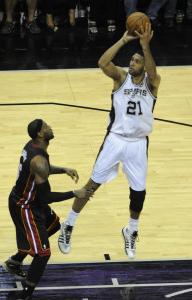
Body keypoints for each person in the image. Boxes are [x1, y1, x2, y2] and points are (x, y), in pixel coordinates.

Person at [58, 23, 161, 260]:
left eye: (137, 61)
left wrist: (145, 46)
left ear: (143, 65)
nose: (131, 63)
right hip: (115, 140)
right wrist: (124, 40)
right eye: (131, 60)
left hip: (138, 144)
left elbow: (154, 74)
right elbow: (102, 63)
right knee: (92, 185)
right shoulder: (120, 78)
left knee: (139, 193)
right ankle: (68, 225)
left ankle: (131, 230)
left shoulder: (151, 83)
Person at [4, 119, 93, 300]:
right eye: (46, 126)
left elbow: (42, 170)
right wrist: (76, 193)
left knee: (53, 225)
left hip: (33, 201)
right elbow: (47, 197)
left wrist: (63, 169)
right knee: (43, 253)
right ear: (40, 134)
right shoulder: (38, 159)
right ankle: (25, 294)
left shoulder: (34, 146)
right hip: (24, 206)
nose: (50, 127)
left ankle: (15, 262)